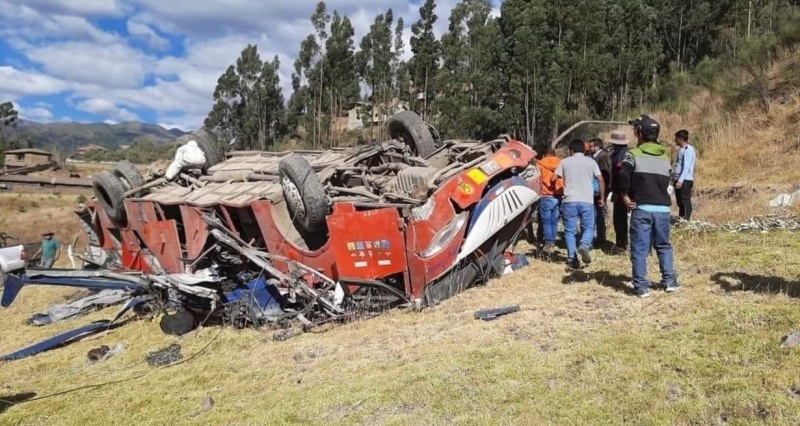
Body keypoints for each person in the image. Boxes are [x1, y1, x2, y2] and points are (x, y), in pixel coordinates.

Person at [617, 115, 679, 298]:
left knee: (639, 248)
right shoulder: (665, 156)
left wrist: (624, 195)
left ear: (639, 133)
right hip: (663, 210)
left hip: (642, 208)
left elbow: (623, 175)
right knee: (664, 245)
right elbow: (670, 179)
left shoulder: (633, 154)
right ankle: (669, 281)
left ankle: (641, 286)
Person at [552, 139, 605, 269]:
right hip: (587, 200)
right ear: (584, 149)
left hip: (570, 200)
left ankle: (572, 258)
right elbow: (600, 179)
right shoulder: (591, 162)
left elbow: (553, 179)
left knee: (569, 231)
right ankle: (585, 245)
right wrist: (602, 197)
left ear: (571, 150)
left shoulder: (564, 162)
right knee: (589, 228)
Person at [536, 147, 564, 252]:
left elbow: (538, 180)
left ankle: (548, 242)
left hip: (546, 195)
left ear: (544, 155)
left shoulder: (540, 164)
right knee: (554, 220)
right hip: (558, 195)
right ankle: (553, 241)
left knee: (546, 221)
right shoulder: (561, 162)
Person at [608, 130, 630, 254]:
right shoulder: (619, 153)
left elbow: (621, 174)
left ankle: (621, 245)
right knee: (619, 219)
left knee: (620, 219)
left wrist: (618, 191)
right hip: (622, 190)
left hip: (621, 191)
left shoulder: (622, 154)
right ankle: (621, 243)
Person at [589, 137, 612, 246]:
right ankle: (599, 236)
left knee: (599, 214)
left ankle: (601, 237)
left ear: (597, 146)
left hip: (600, 189)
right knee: (597, 213)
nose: (590, 148)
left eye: (591, 146)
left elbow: (606, 174)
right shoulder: (597, 156)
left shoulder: (602, 157)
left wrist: (604, 191)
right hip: (597, 188)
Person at [673, 129, 696, 220]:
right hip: (679, 179)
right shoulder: (681, 149)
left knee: (685, 201)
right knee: (680, 203)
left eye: (676, 138)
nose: (675, 140)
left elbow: (686, 167)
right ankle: (681, 219)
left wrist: (680, 181)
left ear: (681, 139)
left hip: (685, 180)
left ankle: (685, 221)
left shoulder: (688, 149)